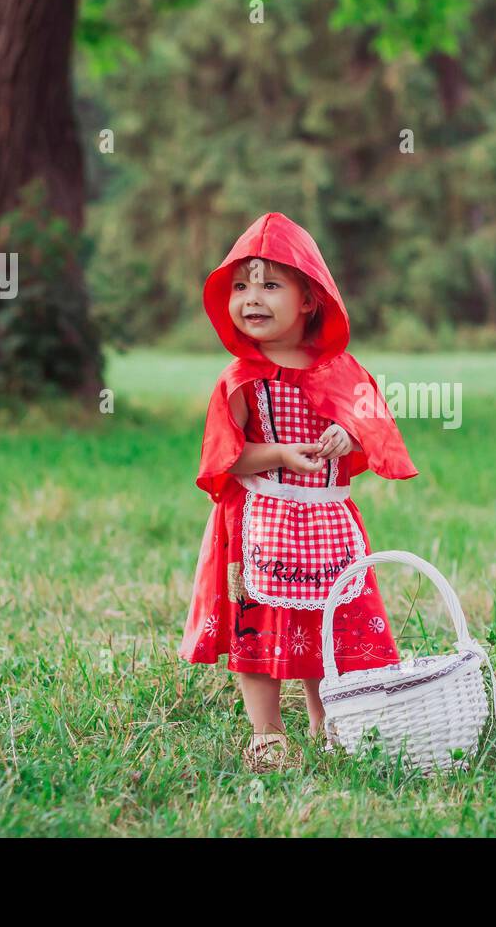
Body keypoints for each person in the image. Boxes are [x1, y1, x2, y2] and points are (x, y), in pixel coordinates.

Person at [178, 212, 418, 771]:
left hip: (327, 523)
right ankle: (267, 731)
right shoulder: (241, 378)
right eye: (241, 285)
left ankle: (327, 718)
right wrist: (281, 455)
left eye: (269, 284)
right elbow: (225, 455)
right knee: (257, 627)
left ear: (309, 298)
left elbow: (375, 426)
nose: (251, 298)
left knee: (325, 625)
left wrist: (350, 430)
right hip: (261, 519)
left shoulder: (341, 369)